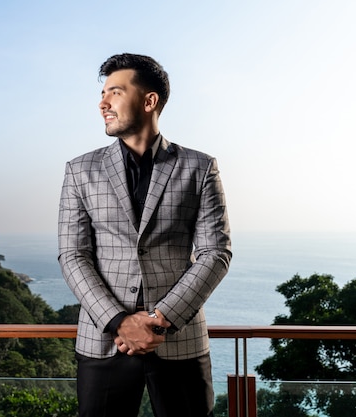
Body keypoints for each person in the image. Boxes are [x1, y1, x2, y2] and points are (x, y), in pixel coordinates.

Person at [58, 53, 232, 417]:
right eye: (102, 94)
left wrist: (160, 319)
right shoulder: (79, 170)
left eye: (115, 93)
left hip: (178, 341)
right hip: (106, 341)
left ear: (149, 101)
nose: (103, 103)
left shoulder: (199, 167)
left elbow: (215, 253)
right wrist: (121, 322)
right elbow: (73, 255)